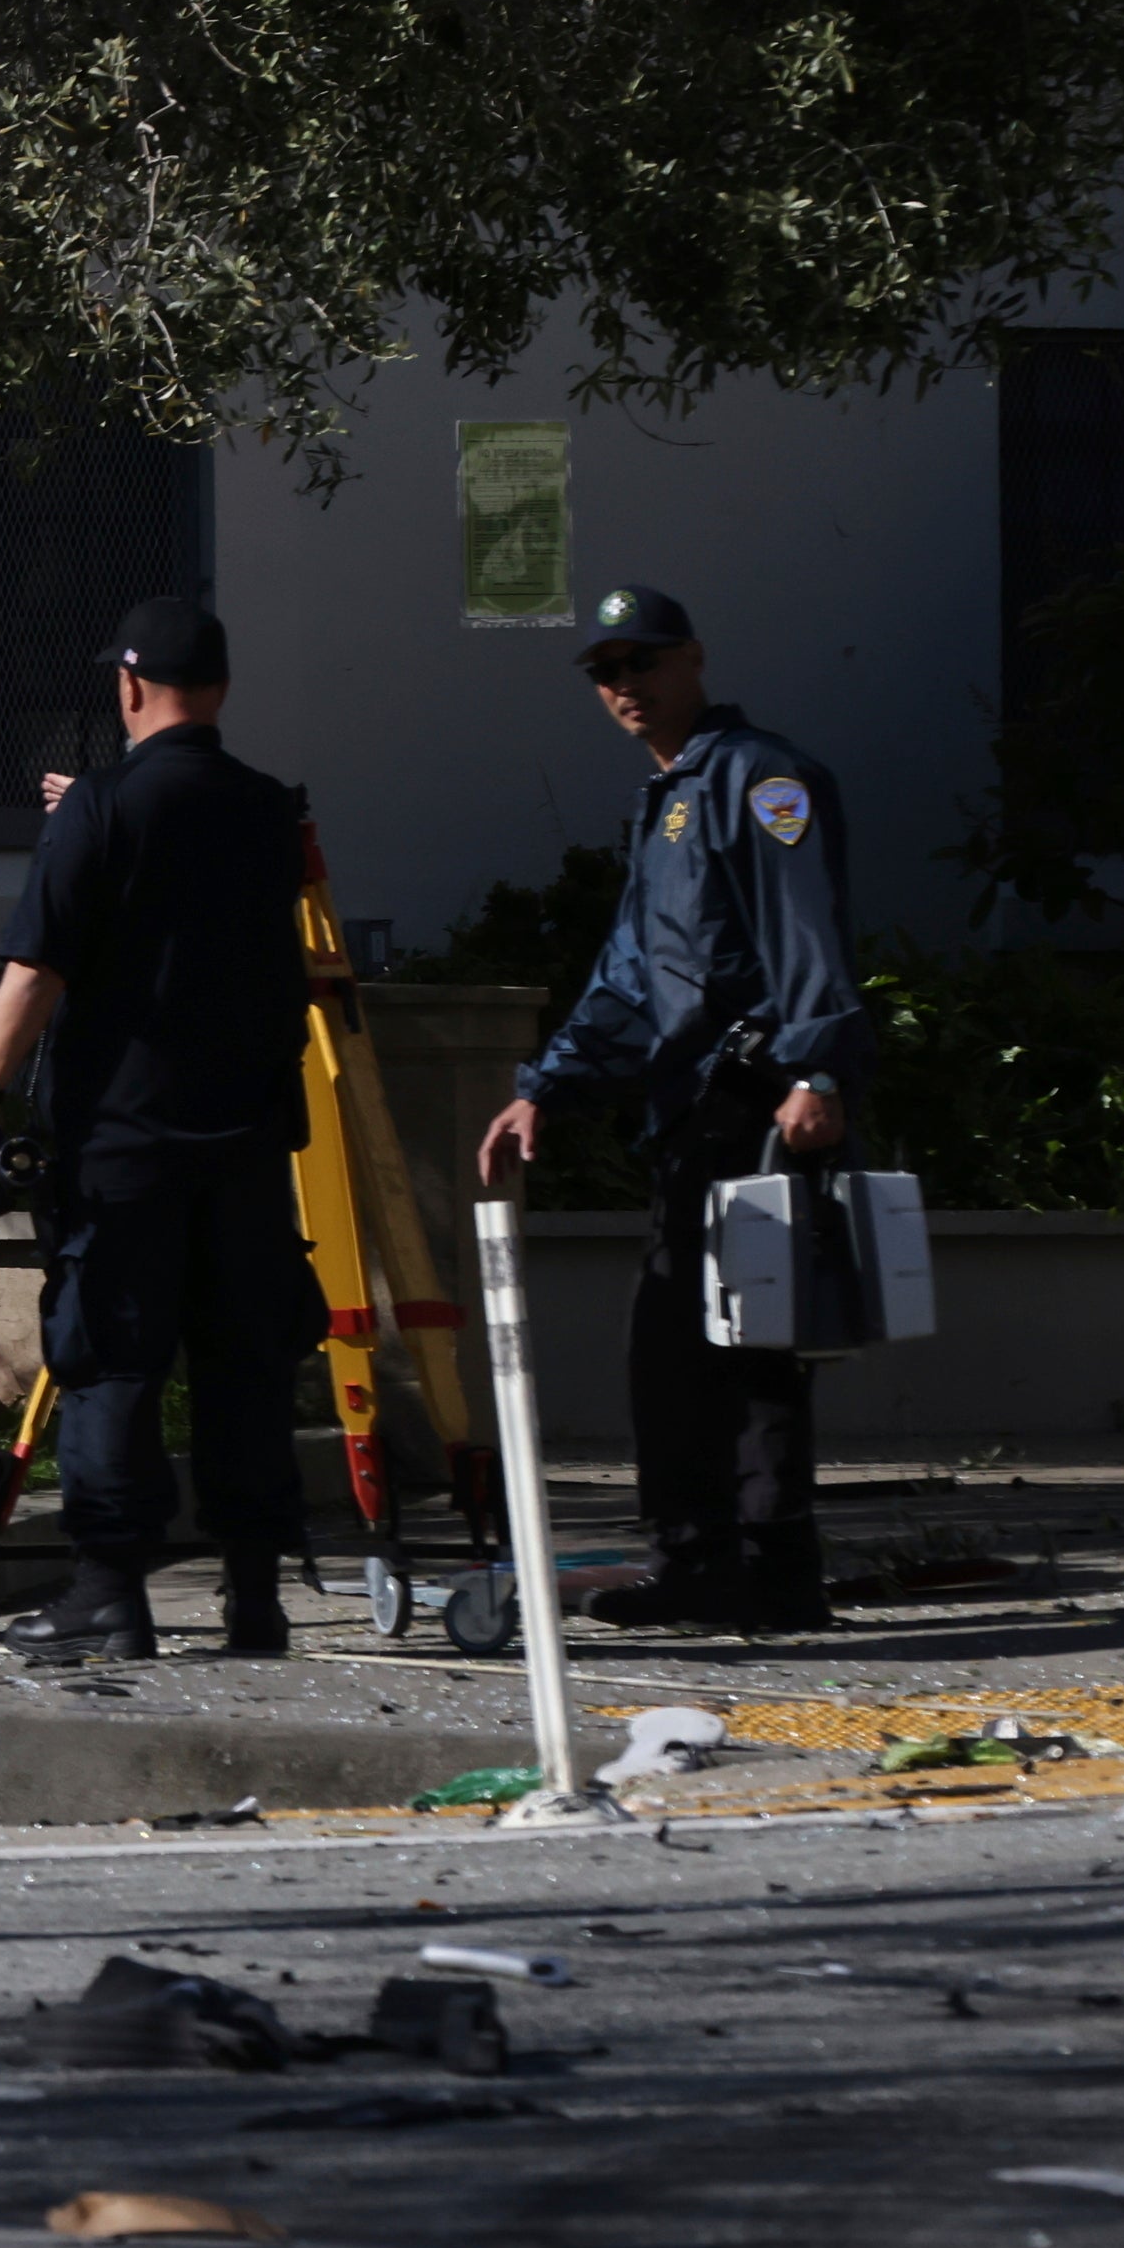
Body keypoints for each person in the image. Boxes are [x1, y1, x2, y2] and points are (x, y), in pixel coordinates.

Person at [471, 585, 871, 1637]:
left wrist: (816, 1072)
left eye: (642, 662)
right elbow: (634, 974)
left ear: (693, 657)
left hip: (754, 1100)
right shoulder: (670, 799)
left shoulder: (758, 779)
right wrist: (543, 1086)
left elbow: (805, 933)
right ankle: (709, 1563)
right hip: (692, 1107)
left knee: (747, 1346)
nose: (624, 687)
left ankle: (762, 1571)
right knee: (685, 1344)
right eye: (606, 672)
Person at [0, 592, 322, 1663]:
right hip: (247, 1142)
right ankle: (257, 1598)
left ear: (125, 685)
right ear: (221, 689)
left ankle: (110, 1595)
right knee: (245, 1361)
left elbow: (38, 966)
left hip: (124, 1144)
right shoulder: (267, 811)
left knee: (113, 1362)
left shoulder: (99, 810)